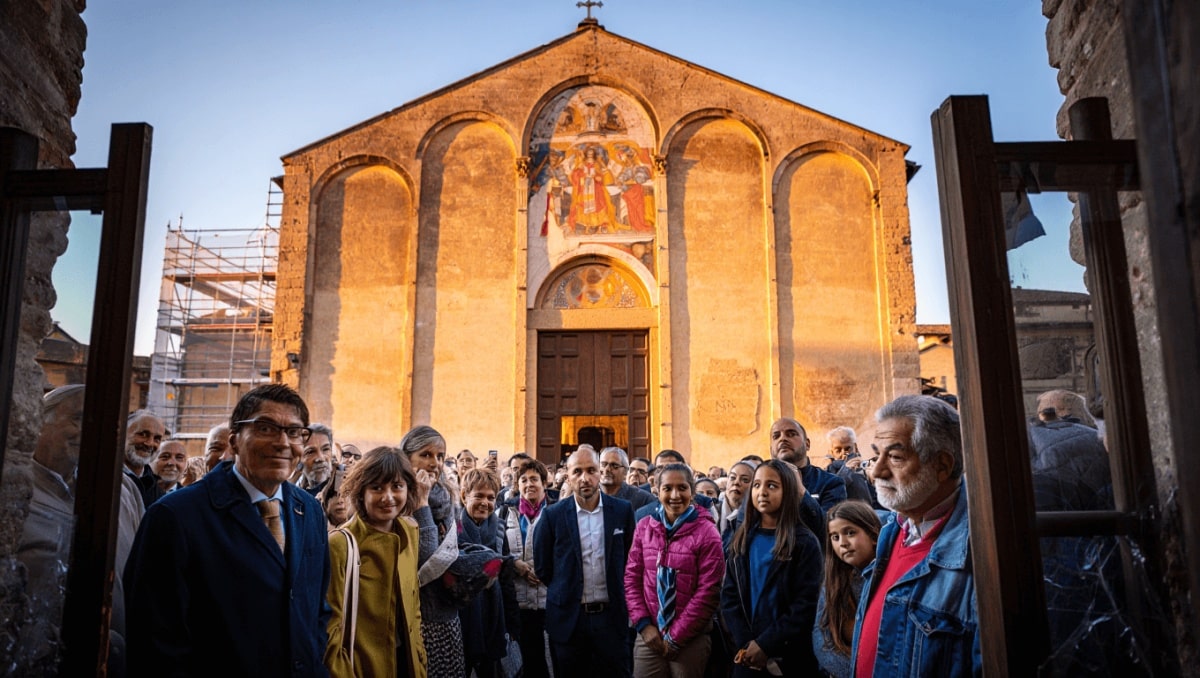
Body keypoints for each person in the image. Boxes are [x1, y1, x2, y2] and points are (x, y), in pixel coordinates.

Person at [124, 383, 331, 676]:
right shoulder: (175, 516)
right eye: (266, 428)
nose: (283, 442)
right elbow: (154, 641)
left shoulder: (309, 510)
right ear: (234, 441)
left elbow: (316, 608)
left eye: (294, 432)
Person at [852, 395, 980, 677]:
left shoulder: (979, 557)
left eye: (895, 457)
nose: (877, 471)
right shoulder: (892, 530)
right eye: (876, 455)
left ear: (942, 465)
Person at [533, 446, 636, 678]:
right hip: (569, 620)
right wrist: (566, 589)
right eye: (577, 471)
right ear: (568, 476)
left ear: (600, 472)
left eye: (591, 470)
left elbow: (631, 560)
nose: (585, 478)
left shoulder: (622, 511)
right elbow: (543, 567)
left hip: (611, 619)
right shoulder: (552, 515)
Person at [324, 446, 426, 677]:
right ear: (361, 492)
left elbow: (414, 605)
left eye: (397, 486)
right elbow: (331, 629)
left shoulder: (409, 531)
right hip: (363, 667)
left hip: (406, 662)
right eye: (377, 488)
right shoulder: (340, 544)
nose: (388, 497)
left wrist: (420, 660)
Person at [721, 459, 822, 677]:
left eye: (772, 486)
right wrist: (748, 644)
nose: (762, 492)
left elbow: (805, 604)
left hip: (789, 657)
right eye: (757, 485)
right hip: (748, 655)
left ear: (788, 491)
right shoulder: (742, 539)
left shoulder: (804, 542)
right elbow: (729, 597)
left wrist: (766, 645)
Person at [626, 463, 725, 677]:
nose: (675, 495)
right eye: (667, 488)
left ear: (692, 491)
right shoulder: (645, 527)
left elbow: (708, 591)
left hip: (691, 637)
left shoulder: (707, 532)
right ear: (657, 491)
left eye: (682, 488)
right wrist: (644, 625)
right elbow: (632, 579)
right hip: (650, 635)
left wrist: (675, 637)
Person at [17, 384, 85, 671]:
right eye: (78, 419)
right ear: (41, 423)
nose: (89, 430)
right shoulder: (15, 488)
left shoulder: (119, 490)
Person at [499, 458, 555, 678]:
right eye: (524, 480)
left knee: (551, 661)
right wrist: (514, 564)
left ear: (544, 483)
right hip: (517, 601)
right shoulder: (504, 513)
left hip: (549, 600)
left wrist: (546, 569)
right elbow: (496, 551)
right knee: (525, 662)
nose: (529, 484)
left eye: (534, 479)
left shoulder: (557, 512)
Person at [458, 468, 516, 678]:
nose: (485, 503)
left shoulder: (500, 529)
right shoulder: (451, 528)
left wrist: (512, 624)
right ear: (464, 496)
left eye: (491, 498)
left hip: (492, 616)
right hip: (461, 620)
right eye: (479, 496)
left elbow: (506, 579)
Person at [813, 501, 881, 678]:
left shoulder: (889, 579)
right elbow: (821, 635)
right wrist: (852, 672)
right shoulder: (833, 581)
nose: (842, 543)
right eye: (835, 537)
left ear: (873, 535)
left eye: (850, 533)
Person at [770, 417, 846, 513]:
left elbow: (828, 521)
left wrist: (802, 493)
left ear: (807, 444)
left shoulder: (831, 483)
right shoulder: (761, 486)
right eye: (776, 436)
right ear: (771, 449)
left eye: (791, 434)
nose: (783, 439)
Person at [124, 410, 167, 508]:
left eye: (157, 439)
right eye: (143, 434)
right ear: (123, 434)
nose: (150, 443)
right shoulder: (106, 477)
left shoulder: (157, 491)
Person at [824, 427, 876, 505]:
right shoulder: (827, 473)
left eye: (848, 449)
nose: (844, 454)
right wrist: (846, 470)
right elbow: (831, 494)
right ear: (832, 452)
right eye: (838, 450)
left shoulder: (867, 466)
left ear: (856, 448)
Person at [599, 446, 657, 511]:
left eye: (614, 466)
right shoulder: (590, 495)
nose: (607, 469)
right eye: (603, 464)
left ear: (625, 472)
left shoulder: (644, 499)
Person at [715, 460, 755, 538]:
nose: (736, 482)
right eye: (733, 478)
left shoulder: (757, 519)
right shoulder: (711, 512)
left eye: (745, 480)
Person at [300, 422, 335, 495]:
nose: (320, 458)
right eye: (311, 452)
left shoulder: (345, 492)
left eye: (325, 449)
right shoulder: (294, 495)